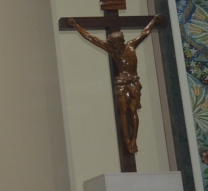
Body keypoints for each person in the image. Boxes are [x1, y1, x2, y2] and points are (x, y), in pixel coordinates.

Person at [67, 15, 162, 153]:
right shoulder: (111, 50)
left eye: (118, 42)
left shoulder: (131, 45)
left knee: (133, 109)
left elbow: (145, 33)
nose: (117, 46)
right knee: (123, 110)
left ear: (122, 40)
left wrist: (153, 21)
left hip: (134, 82)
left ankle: (134, 139)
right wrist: (76, 25)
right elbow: (91, 37)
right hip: (122, 84)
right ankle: (127, 140)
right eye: (114, 44)